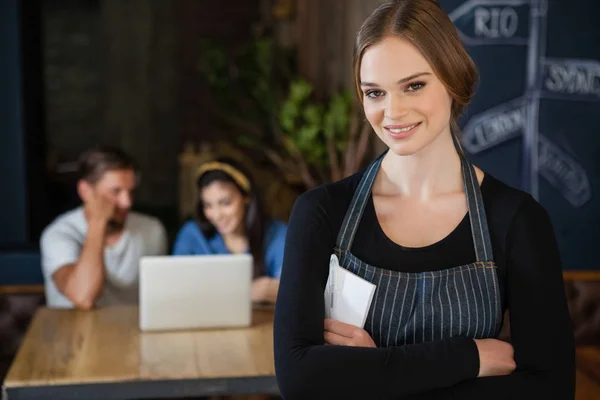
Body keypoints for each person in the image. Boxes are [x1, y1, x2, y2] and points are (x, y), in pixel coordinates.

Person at [273, 1, 575, 399]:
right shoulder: (321, 212)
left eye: (414, 85)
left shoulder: (517, 219)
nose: (392, 112)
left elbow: (550, 388)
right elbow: (298, 378)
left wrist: (372, 374)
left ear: (453, 80)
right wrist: (467, 358)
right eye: (375, 92)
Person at [40, 147, 168, 309]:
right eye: (116, 192)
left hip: (131, 332)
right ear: (85, 191)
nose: (127, 203)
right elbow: (83, 298)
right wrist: (98, 222)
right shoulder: (58, 235)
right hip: (74, 333)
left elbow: (161, 299)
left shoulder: (152, 230)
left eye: (131, 192)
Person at [172, 158, 287, 304]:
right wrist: (246, 292)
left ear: (246, 197)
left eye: (226, 203)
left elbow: (297, 290)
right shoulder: (192, 234)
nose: (217, 215)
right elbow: (176, 288)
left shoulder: (277, 234)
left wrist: (272, 290)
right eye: (208, 205)